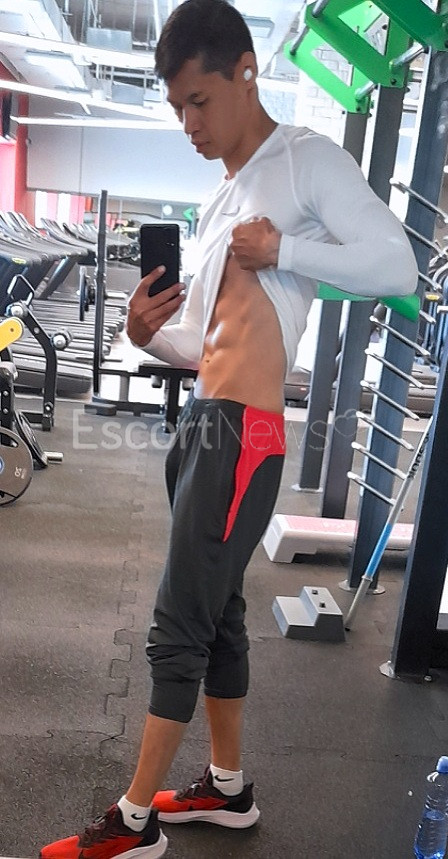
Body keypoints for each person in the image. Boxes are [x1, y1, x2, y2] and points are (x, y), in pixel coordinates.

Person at [39, 1, 418, 857]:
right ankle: (227, 787)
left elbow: (398, 265)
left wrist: (287, 250)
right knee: (217, 613)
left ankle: (135, 821)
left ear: (247, 71)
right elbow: (205, 341)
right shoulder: (222, 200)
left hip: (243, 432)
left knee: (179, 617)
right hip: (206, 418)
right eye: (178, 108)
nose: (189, 124)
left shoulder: (306, 160)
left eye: (199, 101)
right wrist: (145, 335)